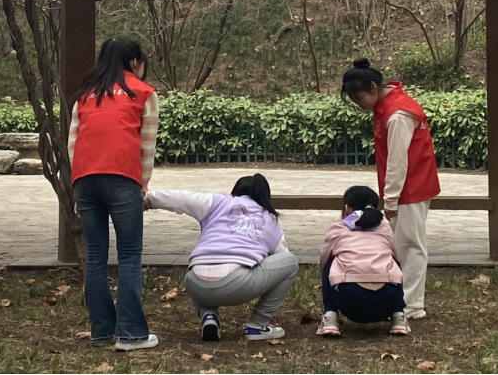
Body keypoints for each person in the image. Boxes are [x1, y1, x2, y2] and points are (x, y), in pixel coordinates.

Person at [68, 38, 159, 351]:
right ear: (134, 62)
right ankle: (131, 334)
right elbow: (147, 144)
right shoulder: (143, 93)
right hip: (122, 175)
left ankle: (101, 331)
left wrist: (77, 189)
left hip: (85, 179)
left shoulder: (85, 95)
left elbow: (73, 143)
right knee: (129, 254)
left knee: (96, 255)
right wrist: (143, 184)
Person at [341, 58, 440, 320]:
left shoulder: (397, 115)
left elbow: (398, 161)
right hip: (406, 186)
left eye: (359, 97)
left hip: (411, 187)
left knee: (410, 245)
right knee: (401, 243)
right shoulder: (388, 107)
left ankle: (412, 304)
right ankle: (401, 299)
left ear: (373, 87)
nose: (358, 103)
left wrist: (391, 199)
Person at [144, 173, 298, 342]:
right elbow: (281, 257)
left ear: (233, 193)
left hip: (195, 284)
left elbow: (181, 198)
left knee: (202, 264)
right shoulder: (268, 218)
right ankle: (258, 325)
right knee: (290, 262)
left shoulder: (217, 202)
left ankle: (209, 316)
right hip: (236, 285)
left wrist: (148, 198)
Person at [317, 185, 409, 337]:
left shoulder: (338, 229)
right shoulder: (385, 228)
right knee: (393, 261)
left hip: (350, 301)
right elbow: (396, 254)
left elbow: (323, 259)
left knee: (330, 261)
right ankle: (398, 316)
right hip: (388, 300)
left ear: (346, 208)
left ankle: (330, 317)